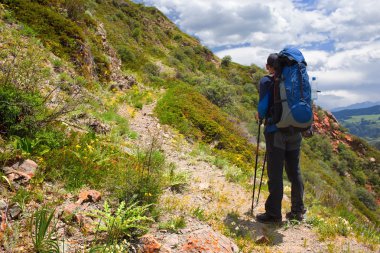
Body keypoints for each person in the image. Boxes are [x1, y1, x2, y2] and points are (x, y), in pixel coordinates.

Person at [255, 53, 306, 223]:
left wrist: (259, 116)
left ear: (269, 66)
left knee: (275, 173)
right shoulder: (292, 81)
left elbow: (262, 107)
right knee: (294, 171)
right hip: (295, 131)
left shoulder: (267, 81)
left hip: (275, 131)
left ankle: (273, 214)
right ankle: (297, 212)